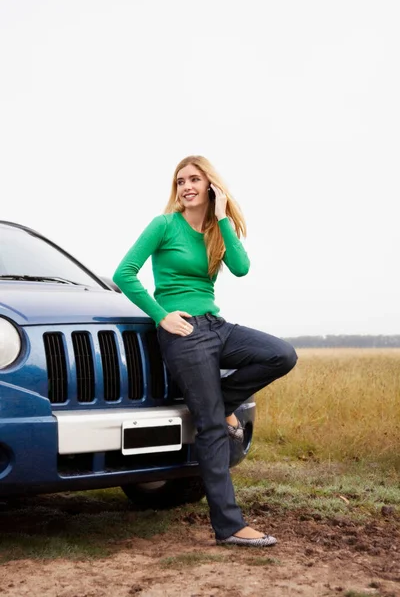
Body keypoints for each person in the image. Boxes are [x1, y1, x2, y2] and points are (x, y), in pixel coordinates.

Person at [113, 155, 297, 547]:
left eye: (194, 179)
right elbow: (124, 273)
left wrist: (224, 216)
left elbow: (242, 267)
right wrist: (161, 316)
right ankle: (229, 526)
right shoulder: (164, 225)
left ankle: (220, 403)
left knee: (281, 354)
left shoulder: (215, 230)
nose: (186, 187)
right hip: (184, 333)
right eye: (180, 181)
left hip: (217, 326)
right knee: (213, 428)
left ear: (210, 186)